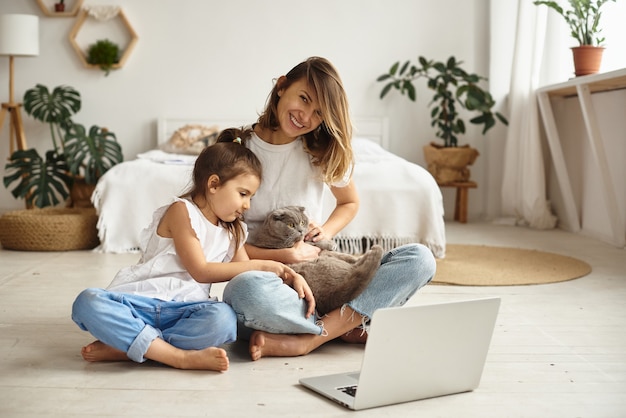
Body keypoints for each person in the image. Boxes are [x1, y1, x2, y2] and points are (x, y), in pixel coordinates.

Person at [222, 57, 437, 360]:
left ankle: (310, 338)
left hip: (323, 273)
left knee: (420, 259)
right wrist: (284, 257)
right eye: (304, 99)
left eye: (319, 112)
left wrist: (326, 229)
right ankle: (347, 321)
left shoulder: (318, 151)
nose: (305, 116)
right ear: (282, 87)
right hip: (270, 280)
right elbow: (227, 243)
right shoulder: (239, 150)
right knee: (243, 292)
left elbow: (349, 202)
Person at [71, 128, 314, 371]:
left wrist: (287, 274)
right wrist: (262, 264)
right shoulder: (182, 211)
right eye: (243, 194)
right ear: (214, 184)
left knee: (224, 321)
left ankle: (134, 346)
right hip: (140, 302)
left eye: (250, 197)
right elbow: (201, 270)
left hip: (185, 309)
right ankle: (179, 357)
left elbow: (245, 274)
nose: (247, 205)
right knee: (88, 301)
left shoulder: (234, 230)